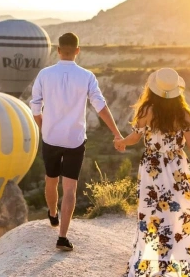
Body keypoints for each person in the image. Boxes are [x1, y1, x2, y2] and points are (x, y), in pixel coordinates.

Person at [115, 68, 190, 276]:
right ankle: (181, 261)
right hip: (177, 167)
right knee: (179, 213)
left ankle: (161, 264)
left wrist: (121, 142)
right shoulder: (184, 115)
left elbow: (135, 137)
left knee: (154, 216)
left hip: (152, 169)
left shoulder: (145, 111)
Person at [30, 32, 124, 252]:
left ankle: (52, 214)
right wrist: (117, 134)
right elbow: (100, 106)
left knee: (50, 180)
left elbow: (35, 107)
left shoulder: (45, 74)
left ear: (58, 50)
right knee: (70, 188)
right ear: (78, 50)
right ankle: (62, 237)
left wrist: (45, 127)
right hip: (74, 139)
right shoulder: (87, 76)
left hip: (51, 138)